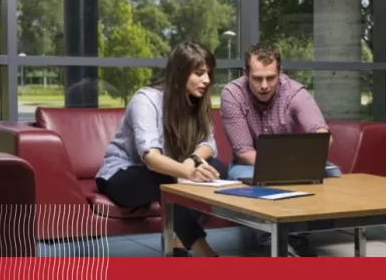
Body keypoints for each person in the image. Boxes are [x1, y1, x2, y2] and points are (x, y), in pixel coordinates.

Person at [95, 41, 227, 257]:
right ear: (180, 73)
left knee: (217, 168)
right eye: (199, 73)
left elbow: (209, 145)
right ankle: (204, 251)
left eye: (209, 73)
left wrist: (191, 160)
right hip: (122, 176)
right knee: (164, 178)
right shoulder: (146, 100)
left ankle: (176, 244)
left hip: (171, 173)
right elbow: (150, 158)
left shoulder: (197, 103)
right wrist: (187, 172)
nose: (207, 80)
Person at [220, 42, 342, 257]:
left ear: (280, 73)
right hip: (248, 165)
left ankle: (298, 235)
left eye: (271, 78)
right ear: (246, 73)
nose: (264, 85)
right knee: (259, 180)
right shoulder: (232, 94)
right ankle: (272, 241)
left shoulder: (294, 92)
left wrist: (306, 157)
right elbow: (243, 150)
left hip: (292, 162)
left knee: (333, 174)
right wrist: (282, 169)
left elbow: (321, 133)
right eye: (257, 79)